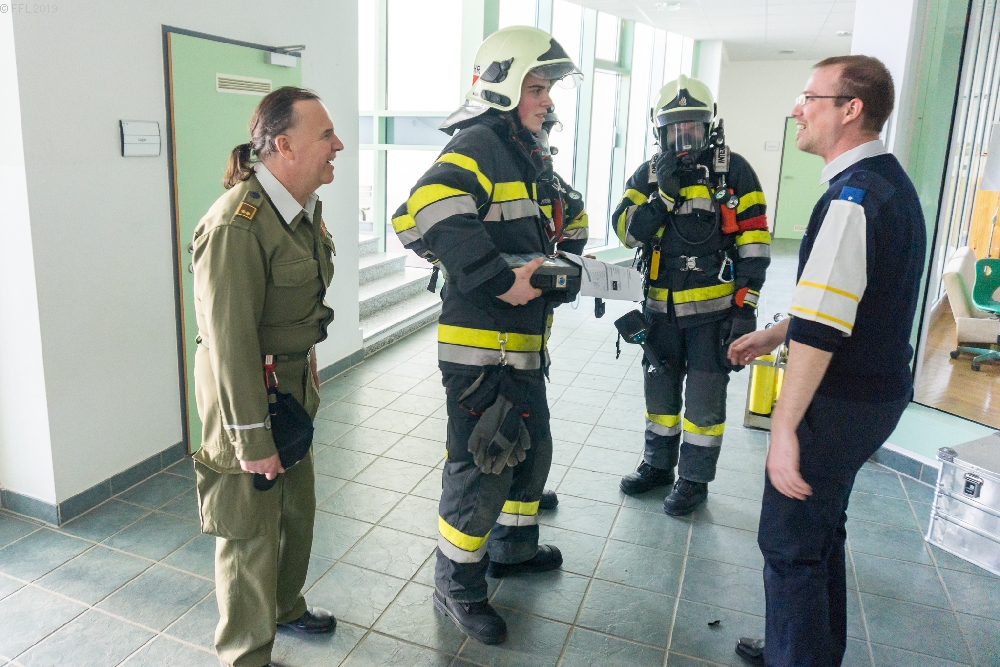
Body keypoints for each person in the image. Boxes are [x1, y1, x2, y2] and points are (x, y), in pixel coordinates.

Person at [728, 56, 925, 667]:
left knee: (789, 543)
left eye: (809, 98)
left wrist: (783, 429)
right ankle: (805, 648)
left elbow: (821, 334)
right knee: (819, 531)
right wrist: (777, 332)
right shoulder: (886, 183)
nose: (797, 109)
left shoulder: (852, 200)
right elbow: (846, 302)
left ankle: (796, 655)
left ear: (850, 109)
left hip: (839, 403)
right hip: (875, 395)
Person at [390, 25, 583, 645]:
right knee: (482, 467)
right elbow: (423, 207)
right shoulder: (479, 142)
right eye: (536, 88)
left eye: (549, 89)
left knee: (531, 453)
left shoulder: (525, 152)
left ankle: (513, 550)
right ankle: (458, 585)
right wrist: (498, 280)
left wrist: (560, 265)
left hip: (521, 345)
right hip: (483, 350)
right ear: (502, 87)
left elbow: (561, 215)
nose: (547, 100)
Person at [191, 86, 343, 667]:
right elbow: (230, 345)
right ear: (283, 145)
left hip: (290, 387)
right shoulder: (238, 225)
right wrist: (252, 440)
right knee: (250, 531)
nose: (338, 145)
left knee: (295, 513)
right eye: (325, 135)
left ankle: (283, 606)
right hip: (246, 396)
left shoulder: (299, 211)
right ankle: (245, 654)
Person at [611, 75, 770, 516]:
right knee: (660, 397)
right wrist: (662, 197)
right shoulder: (647, 175)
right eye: (675, 129)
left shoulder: (733, 172)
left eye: (693, 128)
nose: (684, 138)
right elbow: (626, 232)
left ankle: (694, 480)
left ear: (709, 127)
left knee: (704, 402)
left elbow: (754, 245)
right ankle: (657, 466)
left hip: (713, 316)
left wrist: (745, 309)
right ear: (659, 132)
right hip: (659, 312)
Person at [535, 108, 590, 511]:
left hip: (535, 320)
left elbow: (577, 229)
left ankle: (526, 490)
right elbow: (412, 221)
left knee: (531, 408)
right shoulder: (484, 174)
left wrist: (560, 275)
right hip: (483, 321)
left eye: (545, 131)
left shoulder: (558, 191)